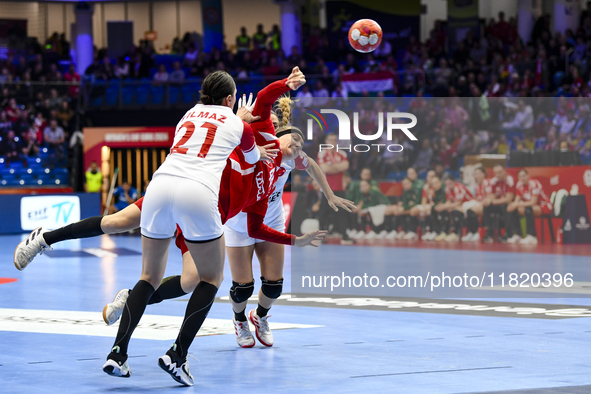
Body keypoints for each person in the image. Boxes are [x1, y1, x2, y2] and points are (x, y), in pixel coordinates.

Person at [505, 169, 552, 245]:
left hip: (544, 206)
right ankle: (518, 234)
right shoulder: (519, 185)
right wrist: (512, 205)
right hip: (530, 206)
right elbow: (517, 200)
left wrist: (516, 204)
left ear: (528, 176)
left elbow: (533, 202)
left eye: (524, 176)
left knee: (528, 209)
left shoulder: (534, 184)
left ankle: (532, 236)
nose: (522, 178)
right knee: (514, 209)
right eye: (520, 176)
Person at [481, 165, 516, 243]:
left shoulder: (510, 179)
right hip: (499, 205)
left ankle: (508, 234)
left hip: (510, 205)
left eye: (500, 172)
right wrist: (487, 201)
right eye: (495, 173)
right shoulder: (494, 181)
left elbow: (508, 198)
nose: (498, 175)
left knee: (506, 206)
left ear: (505, 171)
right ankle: (489, 234)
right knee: (486, 206)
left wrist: (492, 201)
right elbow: (491, 196)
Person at [442, 175, 475, 242]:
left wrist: (446, 206)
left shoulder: (458, 188)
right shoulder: (447, 189)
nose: (448, 185)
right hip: (460, 205)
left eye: (450, 183)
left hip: (469, 203)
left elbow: (459, 202)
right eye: (447, 184)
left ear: (454, 182)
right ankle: (445, 232)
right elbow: (449, 201)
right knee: (446, 210)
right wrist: (443, 207)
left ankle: (456, 233)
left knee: (455, 211)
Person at [462, 167, 489, 242]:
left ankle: (476, 232)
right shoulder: (476, 186)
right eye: (476, 174)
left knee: (470, 211)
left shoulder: (487, 183)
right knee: (465, 208)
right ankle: (471, 232)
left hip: (486, 205)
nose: (477, 176)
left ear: (484, 174)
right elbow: (477, 198)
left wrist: (480, 204)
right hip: (479, 203)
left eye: (479, 173)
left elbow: (490, 196)